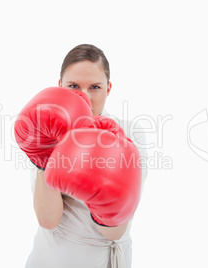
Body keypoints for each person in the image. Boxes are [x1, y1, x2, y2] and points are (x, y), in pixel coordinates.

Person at [18, 44, 148, 268]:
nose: (84, 96)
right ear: (60, 86)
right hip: (51, 259)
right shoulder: (48, 127)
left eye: (95, 87)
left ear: (108, 88)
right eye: (74, 86)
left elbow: (115, 231)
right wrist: (45, 158)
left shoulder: (128, 133)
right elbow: (48, 220)